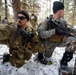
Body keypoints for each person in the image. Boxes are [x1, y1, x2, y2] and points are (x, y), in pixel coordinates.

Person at [37, 1, 76, 65]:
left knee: (73, 41)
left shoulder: (63, 22)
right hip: (48, 44)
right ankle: (41, 53)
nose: (64, 11)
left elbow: (69, 29)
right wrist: (54, 31)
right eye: (63, 10)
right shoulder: (46, 21)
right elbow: (41, 34)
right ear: (59, 10)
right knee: (47, 56)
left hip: (59, 41)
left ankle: (64, 62)